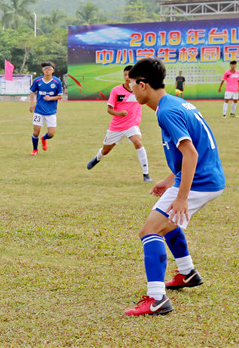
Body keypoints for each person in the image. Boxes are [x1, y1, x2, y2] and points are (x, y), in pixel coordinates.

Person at [124, 57, 225, 316]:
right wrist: (170, 180)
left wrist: (181, 198)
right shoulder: (176, 103)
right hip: (205, 177)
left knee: (149, 231)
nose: (131, 90)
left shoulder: (166, 111)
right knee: (166, 223)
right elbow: (192, 149)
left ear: (143, 85)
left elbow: (191, 153)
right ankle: (187, 273)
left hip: (200, 182)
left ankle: (157, 299)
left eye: (131, 85)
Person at [86, 65, 152, 182]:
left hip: (132, 125)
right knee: (106, 150)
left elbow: (148, 101)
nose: (127, 77)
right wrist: (119, 113)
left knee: (138, 142)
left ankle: (146, 174)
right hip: (116, 127)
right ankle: (97, 158)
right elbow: (109, 109)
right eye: (125, 75)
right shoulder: (116, 90)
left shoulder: (140, 90)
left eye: (129, 75)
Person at [28, 61, 63, 156]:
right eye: (45, 69)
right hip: (38, 110)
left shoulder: (57, 82)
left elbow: (60, 96)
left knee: (51, 134)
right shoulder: (38, 81)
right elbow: (32, 92)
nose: (47, 70)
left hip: (51, 111)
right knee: (36, 132)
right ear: (42, 70)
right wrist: (32, 104)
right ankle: (35, 150)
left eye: (49, 68)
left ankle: (44, 138)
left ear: (53, 70)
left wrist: (50, 98)